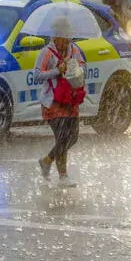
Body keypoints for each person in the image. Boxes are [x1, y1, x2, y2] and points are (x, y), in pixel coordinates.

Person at [34, 20, 85, 188]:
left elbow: (82, 68)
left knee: (73, 137)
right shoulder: (46, 53)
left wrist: (73, 68)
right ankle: (63, 177)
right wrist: (57, 70)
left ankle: (47, 160)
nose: (66, 41)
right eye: (63, 37)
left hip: (70, 100)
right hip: (53, 103)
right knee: (62, 137)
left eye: (68, 37)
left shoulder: (75, 50)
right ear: (55, 36)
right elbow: (37, 75)